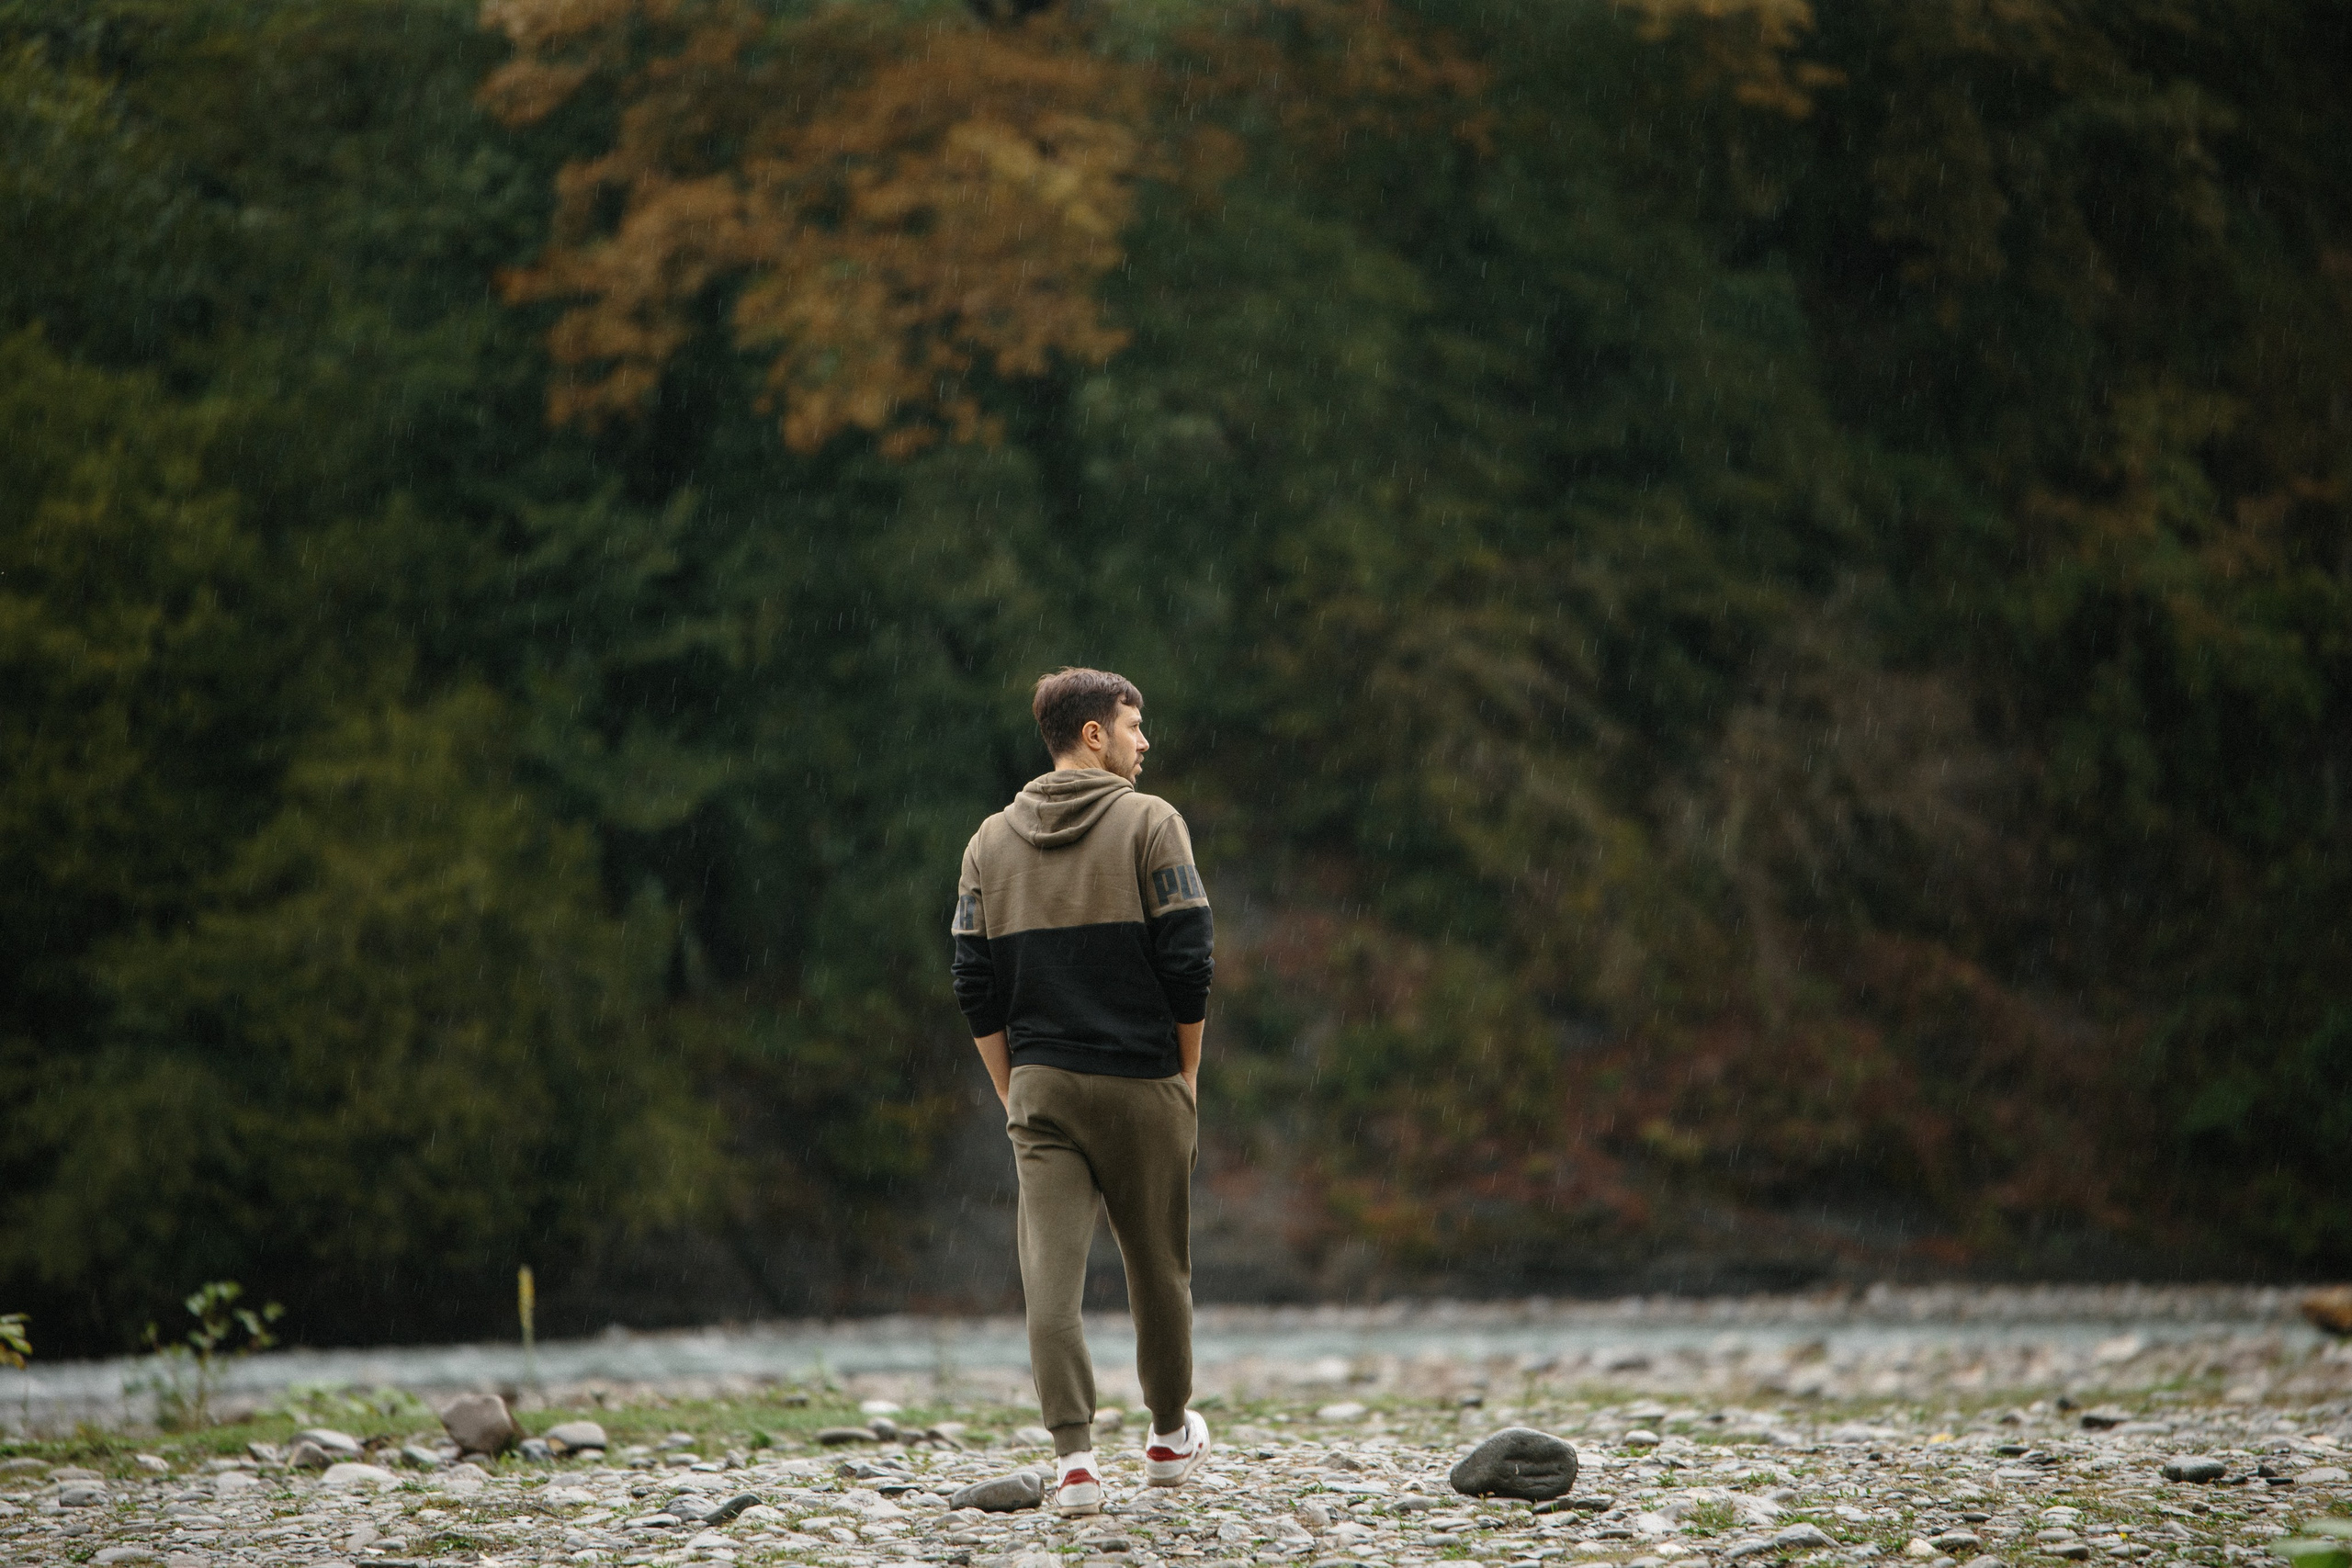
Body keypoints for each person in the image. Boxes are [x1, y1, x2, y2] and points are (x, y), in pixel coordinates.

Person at [951, 667, 1216, 1514]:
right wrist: (1185, 1071)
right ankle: (1168, 1437)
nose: (1146, 742)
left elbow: (973, 982)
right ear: (1094, 734)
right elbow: (1189, 959)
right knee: (1158, 1269)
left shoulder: (988, 841)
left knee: (1050, 1280)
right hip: (1144, 1079)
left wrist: (1015, 1085)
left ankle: (1073, 1462)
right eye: (1135, 725)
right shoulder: (1153, 822)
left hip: (1041, 1089)